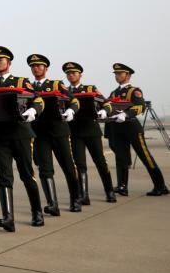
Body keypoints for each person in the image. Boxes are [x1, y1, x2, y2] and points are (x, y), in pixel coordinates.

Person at [0, 46, 46, 231]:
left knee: (27, 174)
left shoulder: (21, 81)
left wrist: (33, 110)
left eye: (0, 59)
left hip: (21, 134)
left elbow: (38, 99)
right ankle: (8, 217)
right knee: (4, 176)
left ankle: (37, 212)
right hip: (0, 136)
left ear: (8, 63)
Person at [26, 54, 81, 214]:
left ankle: (75, 199)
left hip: (59, 131)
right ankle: (52, 204)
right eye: (33, 66)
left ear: (45, 68)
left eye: (39, 65)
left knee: (68, 166)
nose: (36, 68)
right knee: (45, 168)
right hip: (39, 133)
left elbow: (74, 100)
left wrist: (71, 110)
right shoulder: (28, 87)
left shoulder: (56, 84)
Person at [103, 63, 168, 196]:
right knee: (121, 158)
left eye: (120, 74)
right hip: (118, 129)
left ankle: (160, 185)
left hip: (132, 128)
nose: (117, 76)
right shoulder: (114, 92)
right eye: (116, 74)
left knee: (145, 156)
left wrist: (126, 114)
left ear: (128, 75)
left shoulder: (134, 91)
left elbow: (140, 106)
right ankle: (122, 186)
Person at [62, 62, 116, 203]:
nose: (71, 75)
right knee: (79, 164)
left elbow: (107, 103)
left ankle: (109, 191)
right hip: (74, 132)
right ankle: (84, 195)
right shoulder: (64, 91)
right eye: (68, 73)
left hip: (91, 130)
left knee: (100, 161)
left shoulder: (90, 88)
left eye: (74, 72)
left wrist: (105, 111)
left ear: (80, 75)